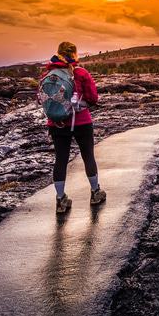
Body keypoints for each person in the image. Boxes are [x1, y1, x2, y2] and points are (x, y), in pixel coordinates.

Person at [40, 41, 106, 213]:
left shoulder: (48, 75)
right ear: (75, 54)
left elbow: (41, 99)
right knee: (88, 156)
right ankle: (95, 193)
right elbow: (93, 98)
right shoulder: (81, 73)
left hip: (57, 123)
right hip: (82, 122)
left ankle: (61, 200)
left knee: (60, 160)